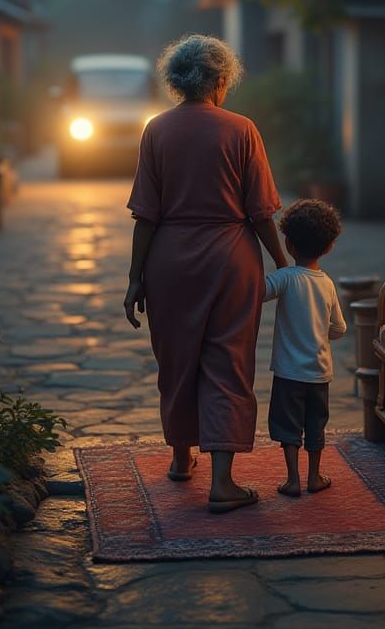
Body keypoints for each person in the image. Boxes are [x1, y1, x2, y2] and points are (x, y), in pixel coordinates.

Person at [123, 34, 287, 514]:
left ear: (177, 80)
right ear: (220, 78)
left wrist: (135, 278)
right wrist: (283, 262)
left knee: (176, 361)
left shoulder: (156, 130)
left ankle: (180, 459)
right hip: (230, 259)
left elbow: (145, 215)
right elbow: (260, 212)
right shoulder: (242, 130)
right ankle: (223, 482)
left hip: (168, 261)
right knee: (227, 363)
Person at [262, 199, 346, 497]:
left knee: (288, 426)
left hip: (288, 372)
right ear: (329, 247)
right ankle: (314, 476)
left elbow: (258, 292)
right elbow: (339, 328)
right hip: (319, 373)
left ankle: (292, 479)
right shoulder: (327, 284)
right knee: (315, 425)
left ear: (287, 243)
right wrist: (321, 334)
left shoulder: (284, 279)